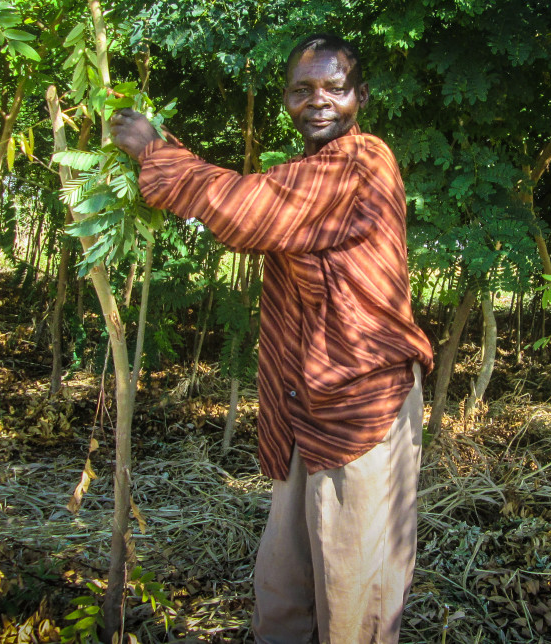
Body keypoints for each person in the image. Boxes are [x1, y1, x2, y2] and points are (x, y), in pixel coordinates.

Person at [110, 33, 435, 643]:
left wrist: (156, 152)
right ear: (285, 100)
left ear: (360, 96)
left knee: (354, 605)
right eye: (302, 89)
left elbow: (249, 208)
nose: (319, 101)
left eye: (335, 88)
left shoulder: (362, 161)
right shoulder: (305, 174)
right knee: (285, 590)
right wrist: (167, 157)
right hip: (302, 411)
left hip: (361, 409)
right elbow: (251, 202)